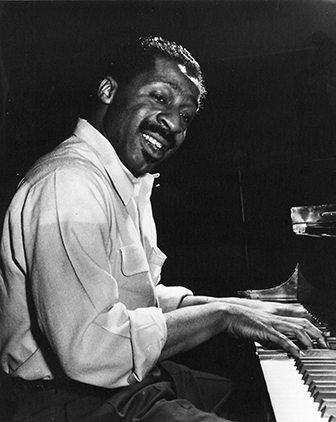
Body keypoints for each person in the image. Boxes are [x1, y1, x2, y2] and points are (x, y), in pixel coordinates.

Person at [0, 36, 328, 422]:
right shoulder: (70, 184)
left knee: (258, 399)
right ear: (109, 91)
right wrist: (221, 315)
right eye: (160, 97)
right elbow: (89, 348)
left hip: (120, 385)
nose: (173, 122)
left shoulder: (124, 180)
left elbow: (133, 301)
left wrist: (235, 308)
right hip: (66, 401)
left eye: (186, 115)